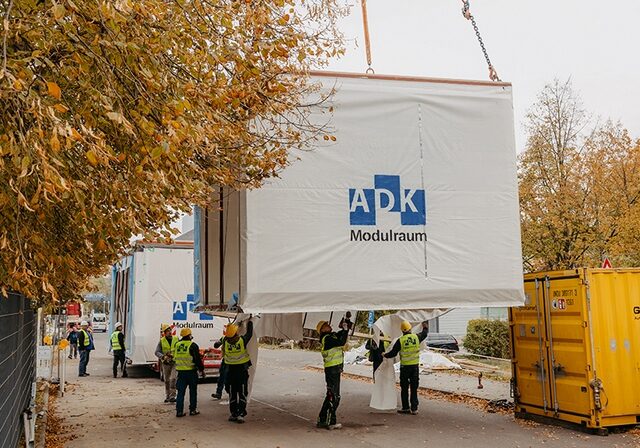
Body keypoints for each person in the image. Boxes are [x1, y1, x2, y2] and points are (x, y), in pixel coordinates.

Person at [384, 320, 429, 415]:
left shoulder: (400, 340)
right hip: (415, 367)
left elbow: (393, 353)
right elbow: (425, 334)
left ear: (402, 331)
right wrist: (425, 326)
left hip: (405, 368)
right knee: (414, 387)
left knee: (404, 388)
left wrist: (385, 355)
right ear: (410, 329)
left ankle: (405, 407)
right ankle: (414, 408)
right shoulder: (417, 337)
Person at [316, 318, 350, 430]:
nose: (329, 325)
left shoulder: (331, 336)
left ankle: (322, 419)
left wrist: (346, 325)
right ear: (322, 330)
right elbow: (341, 341)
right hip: (332, 370)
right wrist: (344, 329)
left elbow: (341, 334)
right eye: (326, 325)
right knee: (334, 396)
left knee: (331, 395)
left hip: (334, 370)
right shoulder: (327, 339)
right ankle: (331, 421)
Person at [224, 320, 254, 423]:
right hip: (241, 371)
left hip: (230, 371)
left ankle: (233, 413)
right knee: (242, 393)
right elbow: (249, 334)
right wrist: (250, 322)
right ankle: (241, 413)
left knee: (232, 393)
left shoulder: (226, 341)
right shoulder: (242, 341)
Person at [173, 328, 204, 417]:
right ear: (189, 335)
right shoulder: (193, 345)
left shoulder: (177, 345)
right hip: (191, 372)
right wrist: (201, 370)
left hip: (181, 372)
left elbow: (175, 357)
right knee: (193, 391)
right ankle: (193, 410)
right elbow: (197, 360)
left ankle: (179, 411)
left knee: (180, 393)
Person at [155, 324, 177, 403]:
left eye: (170, 330)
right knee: (167, 380)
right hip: (166, 363)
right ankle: (167, 396)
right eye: (167, 331)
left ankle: (173, 396)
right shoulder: (162, 341)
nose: (169, 332)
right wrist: (163, 357)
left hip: (174, 362)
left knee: (173, 379)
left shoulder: (176, 339)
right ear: (164, 333)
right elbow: (157, 352)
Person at [211, 334, 229, 400]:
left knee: (228, 378)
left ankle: (230, 392)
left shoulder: (238, 339)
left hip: (233, 362)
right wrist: (218, 343)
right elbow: (216, 345)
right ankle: (219, 393)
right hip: (225, 360)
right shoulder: (224, 338)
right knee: (222, 377)